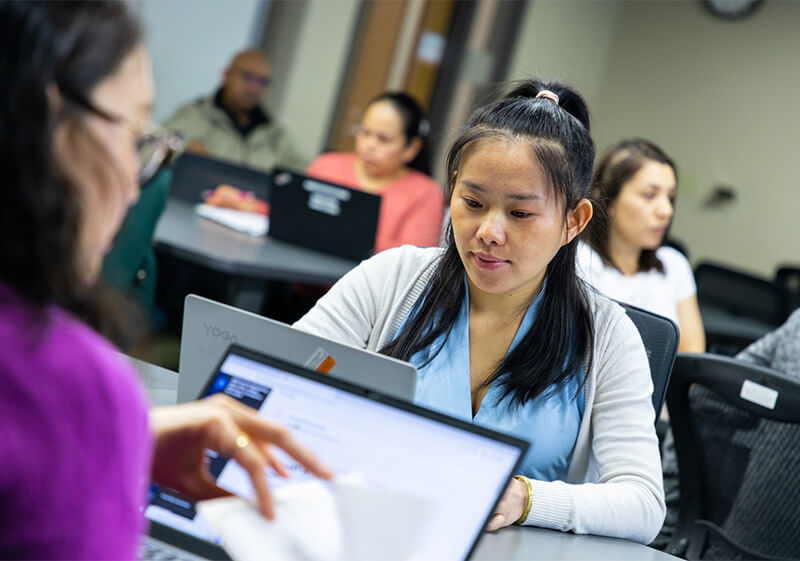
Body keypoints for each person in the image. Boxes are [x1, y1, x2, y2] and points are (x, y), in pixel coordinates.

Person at [0, 3, 330, 558]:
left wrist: (126, 439)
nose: (135, 184)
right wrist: (98, 432)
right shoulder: (66, 379)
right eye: (134, 135)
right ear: (47, 123)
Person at [294, 80, 666, 543]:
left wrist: (524, 498)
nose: (488, 231)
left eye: (520, 214)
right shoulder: (391, 279)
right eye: (472, 203)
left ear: (574, 221)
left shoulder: (607, 335)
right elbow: (284, 381)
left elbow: (643, 504)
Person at [578, 139, 705, 352]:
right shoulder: (580, 261)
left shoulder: (674, 264)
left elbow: (692, 355)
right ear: (606, 199)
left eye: (670, 198)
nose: (666, 211)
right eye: (649, 195)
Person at [307, 92, 445, 252]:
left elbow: (412, 262)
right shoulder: (326, 166)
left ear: (411, 148)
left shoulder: (426, 194)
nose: (369, 145)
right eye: (365, 132)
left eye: (383, 139)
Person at [163, 49, 305, 172]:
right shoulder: (194, 115)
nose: (253, 89)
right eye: (247, 77)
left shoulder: (274, 134)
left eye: (262, 82)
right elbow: (150, 151)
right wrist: (183, 155)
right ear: (226, 75)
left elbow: (303, 174)